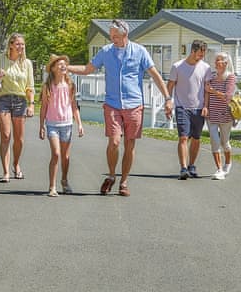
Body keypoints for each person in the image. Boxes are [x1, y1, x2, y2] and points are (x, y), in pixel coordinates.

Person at [68, 19, 172, 197]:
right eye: (111, 36)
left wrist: (168, 98)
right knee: (114, 141)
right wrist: (66, 68)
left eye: (115, 36)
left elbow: (155, 75)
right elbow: (88, 69)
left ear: (125, 34)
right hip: (112, 104)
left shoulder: (140, 52)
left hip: (134, 105)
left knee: (129, 144)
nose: (112, 39)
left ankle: (124, 181)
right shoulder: (106, 52)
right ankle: (111, 174)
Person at [0, 33, 35, 183]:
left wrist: (31, 105)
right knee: (6, 136)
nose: (21, 47)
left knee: (19, 139)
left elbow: (30, 87)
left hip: (20, 100)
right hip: (3, 100)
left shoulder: (27, 63)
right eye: (18, 44)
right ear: (11, 45)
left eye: (23, 44)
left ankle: (16, 164)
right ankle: (5, 172)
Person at [39, 54, 84, 197]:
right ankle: (52, 186)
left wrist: (80, 124)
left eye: (65, 64)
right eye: (59, 64)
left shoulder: (70, 85)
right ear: (52, 69)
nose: (63, 66)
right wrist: (42, 126)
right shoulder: (47, 86)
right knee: (56, 154)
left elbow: (74, 106)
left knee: (65, 156)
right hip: (52, 124)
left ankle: (64, 180)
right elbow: (44, 107)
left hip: (67, 124)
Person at [167, 40, 211, 180]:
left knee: (196, 138)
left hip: (199, 108)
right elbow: (170, 86)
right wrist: (168, 103)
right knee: (183, 137)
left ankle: (192, 165)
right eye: (200, 53)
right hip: (182, 107)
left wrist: (205, 106)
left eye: (204, 53)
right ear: (192, 51)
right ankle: (183, 168)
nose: (202, 56)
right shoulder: (178, 66)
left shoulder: (206, 68)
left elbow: (207, 90)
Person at [205, 51, 236, 180]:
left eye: (219, 60)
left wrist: (213, 91)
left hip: (225, 114)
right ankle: (219, 169)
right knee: (214, 141)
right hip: (211, 114)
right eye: (216, 60)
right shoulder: (211, 76)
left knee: (225, 143)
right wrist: (205, 107)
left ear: (225, 63)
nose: (216, 62)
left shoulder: (230, 77)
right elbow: (206, 92)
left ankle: (228, 163)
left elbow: (228, 96)